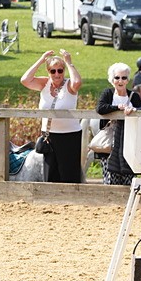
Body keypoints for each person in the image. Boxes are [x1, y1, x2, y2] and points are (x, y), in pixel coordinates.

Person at [20, 49, 83, 183]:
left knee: (69, 175)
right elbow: (25, 80)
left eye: (60, 70)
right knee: (50, 175)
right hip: (49, 136)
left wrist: (69, 63)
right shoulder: (44, 83)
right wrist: (41, 60)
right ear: (48, 72)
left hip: (69, 135)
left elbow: (77, 83)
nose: (57, 74)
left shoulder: (69, 85)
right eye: (53, 71)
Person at [97, 62, 141, 186]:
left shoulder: (134, 96)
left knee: (129, 180)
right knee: (109, 180)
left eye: (124, 78)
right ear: (112, 80)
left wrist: (133, 110)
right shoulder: (108, 93)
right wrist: (118, 108)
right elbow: (100, 108)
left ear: (127, 80)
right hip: (109, 144)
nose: (120, 81)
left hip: (130, 143)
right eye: (117, 77)